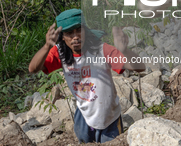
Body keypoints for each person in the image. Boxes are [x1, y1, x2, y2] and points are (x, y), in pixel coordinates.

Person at [29, 9, 145, 143]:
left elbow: (140, 67)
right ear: (62, 37)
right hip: (83, 115)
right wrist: (46, 46)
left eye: (79, 30)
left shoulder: (101, 50)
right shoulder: (60, 53)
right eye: (69, 33)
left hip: (109, 116)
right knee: (84, 142)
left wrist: (124, 50)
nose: (75, 36)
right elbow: (33, 68)